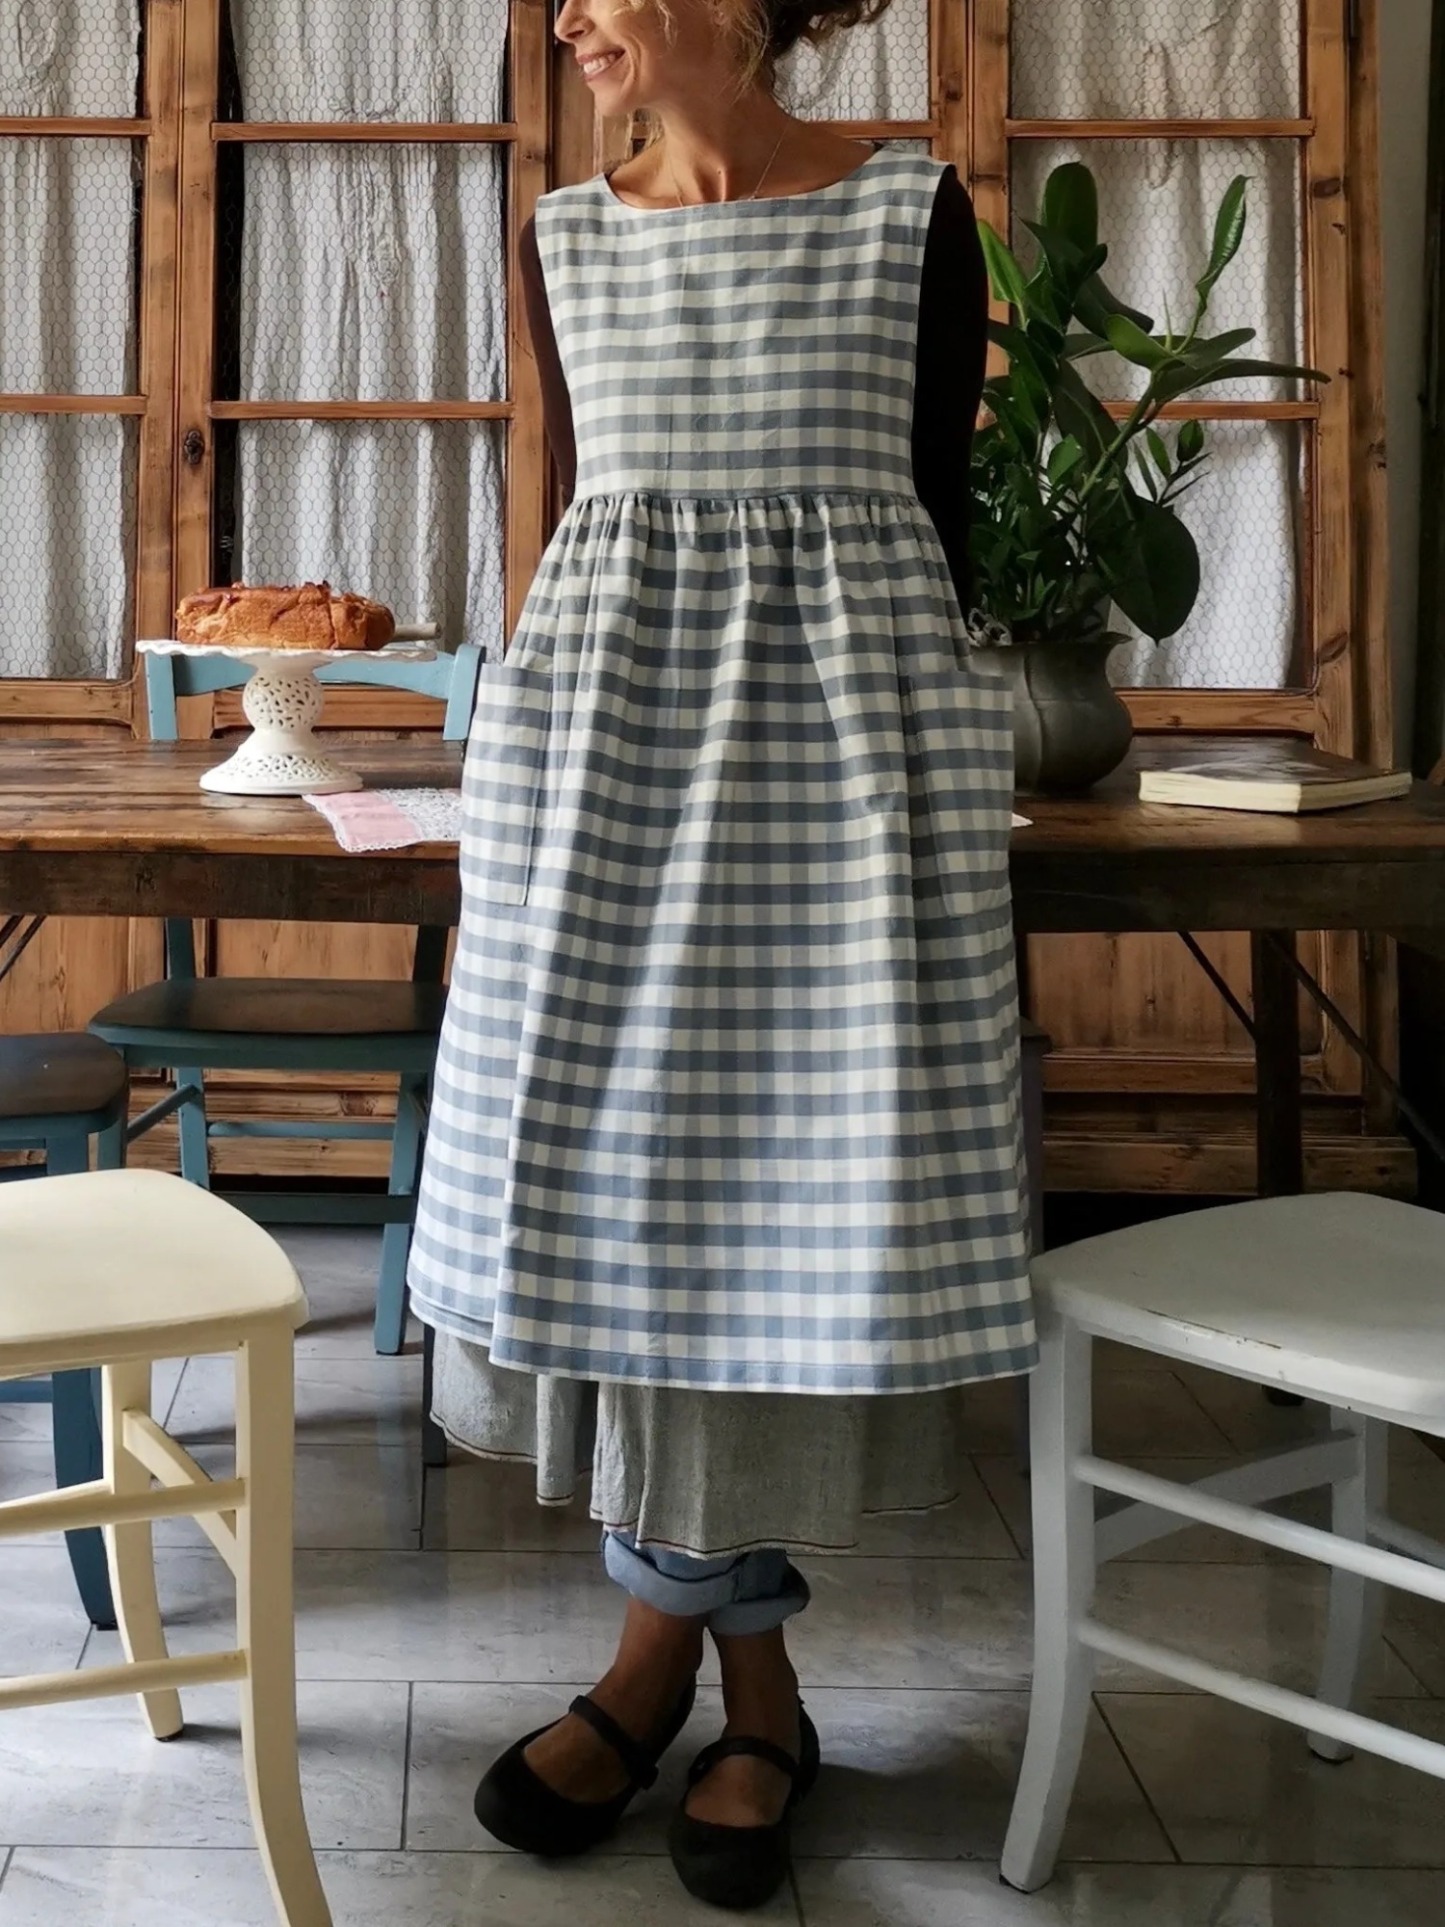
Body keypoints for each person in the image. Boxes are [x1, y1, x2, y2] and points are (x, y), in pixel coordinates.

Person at [405, 0, 1035, 1908]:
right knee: (624, 1212)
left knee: (773, 1217)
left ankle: (657, 1674)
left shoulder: (908, 209)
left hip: (836, 786)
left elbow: (928, 515)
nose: (571, 15)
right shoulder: (559, 235)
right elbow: (571, 518)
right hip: (604, 770)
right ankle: (738, 1690)